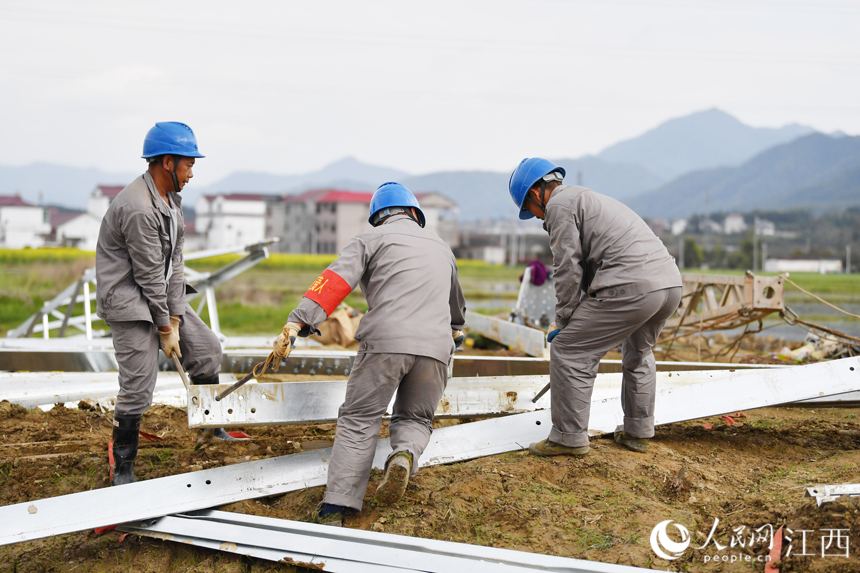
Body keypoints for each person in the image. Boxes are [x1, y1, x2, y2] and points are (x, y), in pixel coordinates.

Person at [273, 182, 466, 526]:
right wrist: (454, 334)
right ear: (414, 213)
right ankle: (404, 455)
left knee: (359, 419)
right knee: (415, 418)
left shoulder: (370, 239)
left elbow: (334, 282)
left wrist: (297, 323)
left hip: (386, 342)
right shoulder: (441, 247)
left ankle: (337, 507)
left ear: (378, 217)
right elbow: (457, 312)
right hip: (436, 348)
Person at [96, 122, 240, 486]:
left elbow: (175, 263)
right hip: (128, 300)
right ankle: (122, 465)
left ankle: (210, 429)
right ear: (167, 162)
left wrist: (175, 320)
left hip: (158, 295)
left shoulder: (171, 201)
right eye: (188, 165)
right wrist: (164, 328)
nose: (191, 174)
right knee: (138, 385)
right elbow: (147, 276)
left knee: (206, 350)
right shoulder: (138, 207)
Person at [508, 158, 682, 457]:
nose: (537, 217)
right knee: (639, 353)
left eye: (531, 210)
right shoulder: (588, 199)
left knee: (569, 350)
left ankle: (568, 438)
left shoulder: (559, 206)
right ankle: (638, 432)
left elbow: (567, 267)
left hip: (632, 286)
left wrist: (563, 320)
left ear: (535, 193)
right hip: (669, 285)